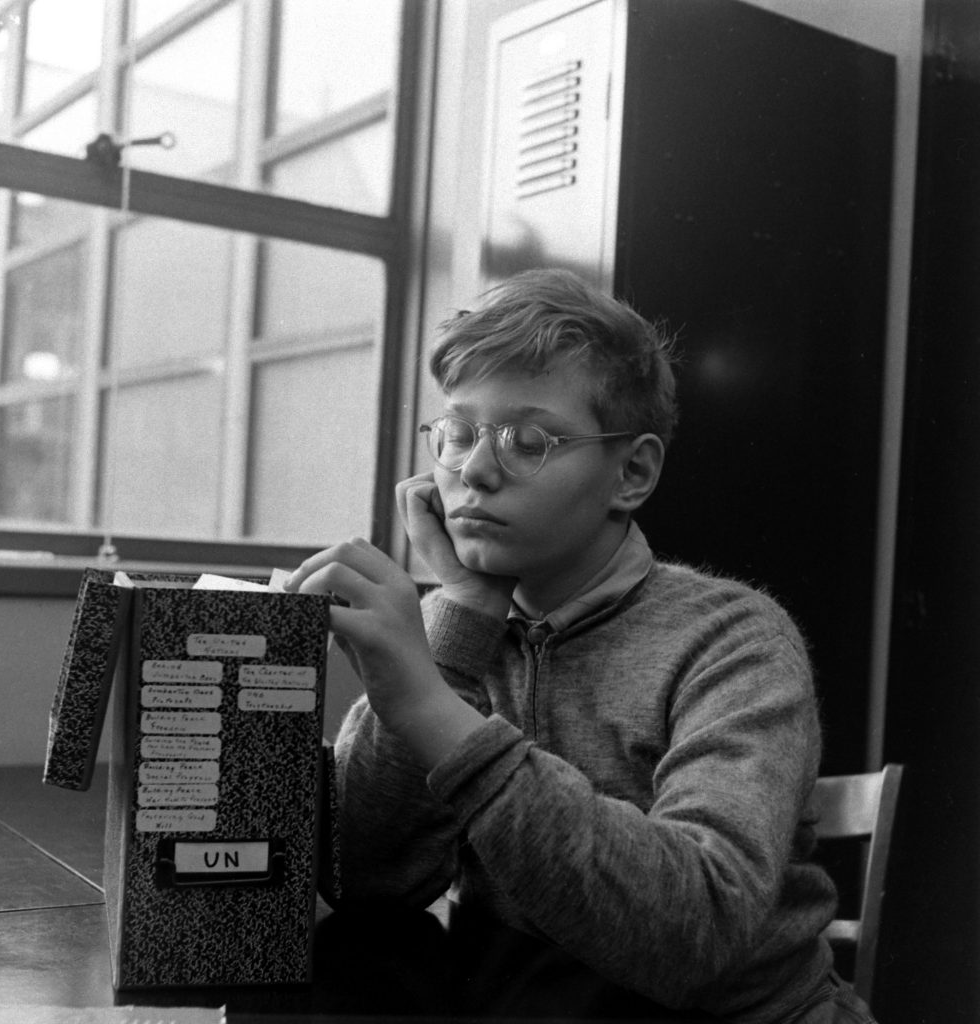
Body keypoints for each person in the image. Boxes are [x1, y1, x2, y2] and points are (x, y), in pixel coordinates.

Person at [286, 268, 877, 1022]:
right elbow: (367, 879)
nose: (473, 469)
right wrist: (458, 622)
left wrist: (432, 710)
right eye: (459, 433)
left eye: (528, 440)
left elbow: (693, 930)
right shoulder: (469, 631)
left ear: (631, 472)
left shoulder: (733, 640)